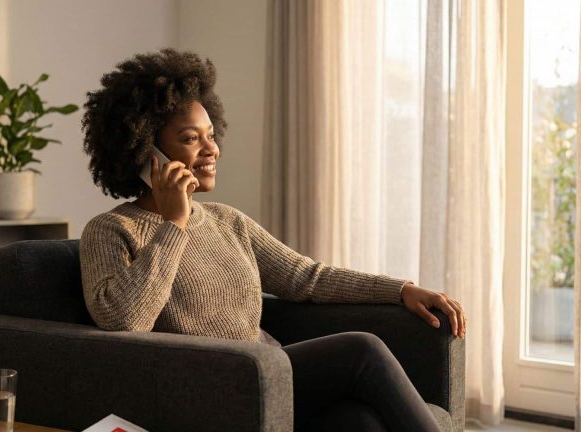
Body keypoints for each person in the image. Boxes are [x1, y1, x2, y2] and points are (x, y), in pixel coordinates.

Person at [80, 48, 466, 432]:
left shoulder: (226, 221)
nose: (211, 149)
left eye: (211, 136)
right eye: (190, 139)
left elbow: (308, 277)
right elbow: (124, 321)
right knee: (361, 350)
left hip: (273, 380)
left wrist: (401, 290)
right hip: (213, 388)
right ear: (146, 152)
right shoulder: (111, 230)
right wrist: (174, 223)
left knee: (362, 423)